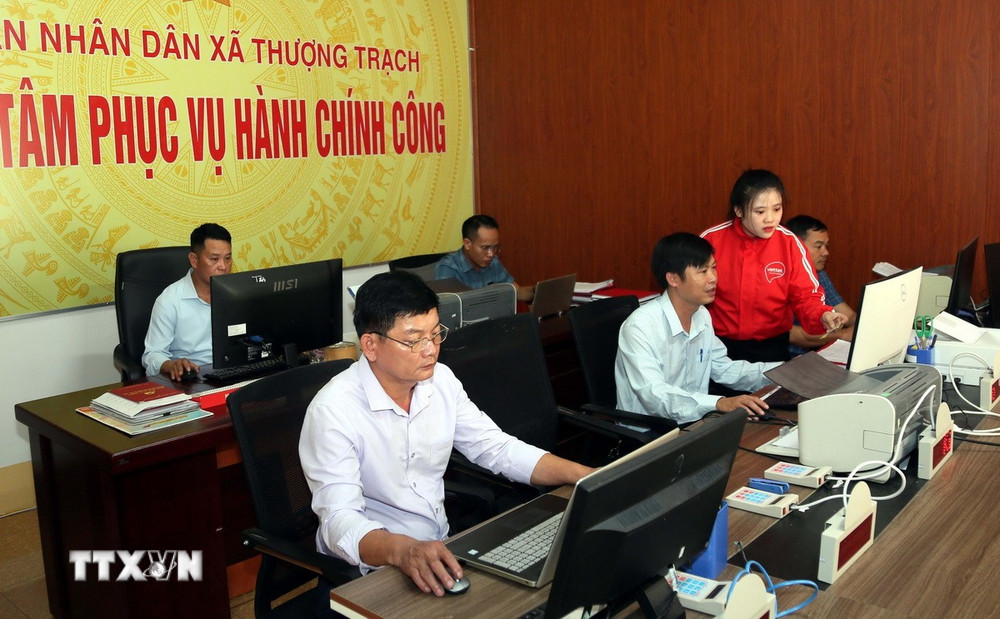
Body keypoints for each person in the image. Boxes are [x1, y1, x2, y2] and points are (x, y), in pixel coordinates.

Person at [299, 271, 592, 597]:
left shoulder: (440, 381)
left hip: (439, 548)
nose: (431, 350)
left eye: (436, 334)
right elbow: (339, 520)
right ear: (371, 345)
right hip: (368, 570)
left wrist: (585, 476)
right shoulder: (333, 411)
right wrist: (403, 551)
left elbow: (496, 448)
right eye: (414, 340)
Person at [615, 233, 780, 425]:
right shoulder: (640, 327)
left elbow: (724, 369)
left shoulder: (701, 314)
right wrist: (719, 403)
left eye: (713, 268)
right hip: (650, 432)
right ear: (673, 279)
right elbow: (655, 396)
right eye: (703, 271)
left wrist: (784, 373)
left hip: (694, 423)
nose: (713, 278)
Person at [700, 169, 846, 362]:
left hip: (773, 348)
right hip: (719, 345)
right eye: (760, 212)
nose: (770, 219)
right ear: (739, 210)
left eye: (776, 209)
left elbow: (806, 296)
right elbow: (691, 293)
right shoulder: (711, 240)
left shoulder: (790, 244)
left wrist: (822, 315)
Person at [141, 223, 233, 380]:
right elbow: (152, 355)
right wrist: (170, 365)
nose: (223, 266)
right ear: (194, 260)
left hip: (233, 372)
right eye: (214, 259)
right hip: (192, 378)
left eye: (228, 258)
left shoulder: (236, 293)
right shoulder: (169, 301)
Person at [784, 215, 857, 355]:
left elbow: (849, 316)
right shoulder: (777, 277)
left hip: (810, 355)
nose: (825, 253)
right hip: (783, 358)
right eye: (818, 246)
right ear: (796, 246)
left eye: (826, 246)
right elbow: (792, 334)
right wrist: (843, 335)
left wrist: (870, 324)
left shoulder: (819, 274)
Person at [435, 214, 534, 301]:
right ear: (467, 244)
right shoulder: (448, 267)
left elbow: (517, 291)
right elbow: (450, 307)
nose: (491, 254)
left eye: (495, 247)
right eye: (485, 247)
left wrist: (536, 291)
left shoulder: (493, 262)